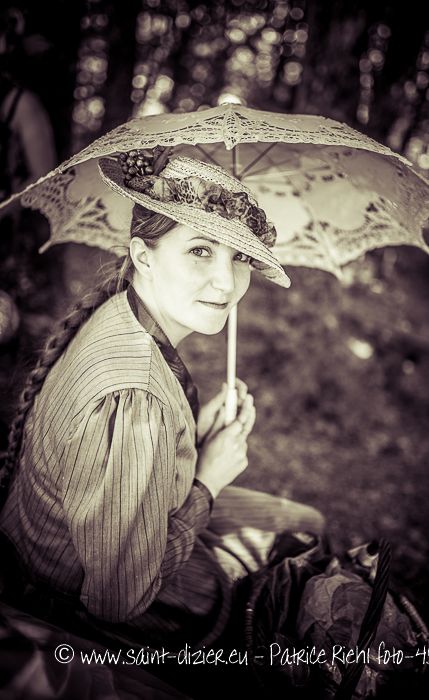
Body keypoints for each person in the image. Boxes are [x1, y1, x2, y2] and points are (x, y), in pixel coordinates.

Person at [0, 151, 325, 667]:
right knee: (300, 539)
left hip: (104, 536)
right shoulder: (137, 397)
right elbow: (117, 598)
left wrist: (192, 439)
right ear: (144, 256)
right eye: (201, 250)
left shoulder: (120, 312)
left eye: (239, 256)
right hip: (70, 598)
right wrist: (208, 482)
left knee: (308, 521)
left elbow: (118, 462)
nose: (227, 282)